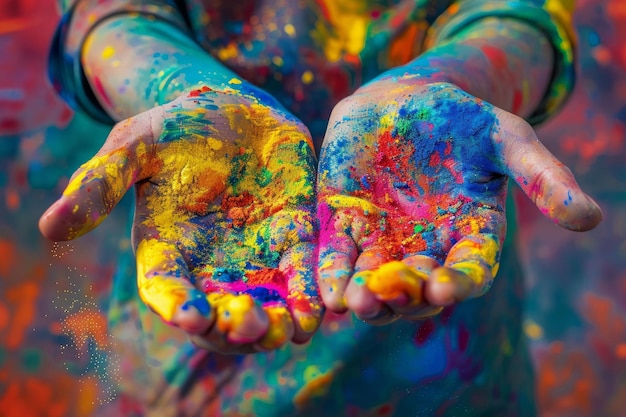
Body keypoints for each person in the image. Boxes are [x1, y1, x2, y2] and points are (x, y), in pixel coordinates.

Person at [39, 0, 603, 415]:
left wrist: (439, 83)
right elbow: (110, 15)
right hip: (198, 317)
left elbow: (518, 15)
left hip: (440, 345)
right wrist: (187, 92)